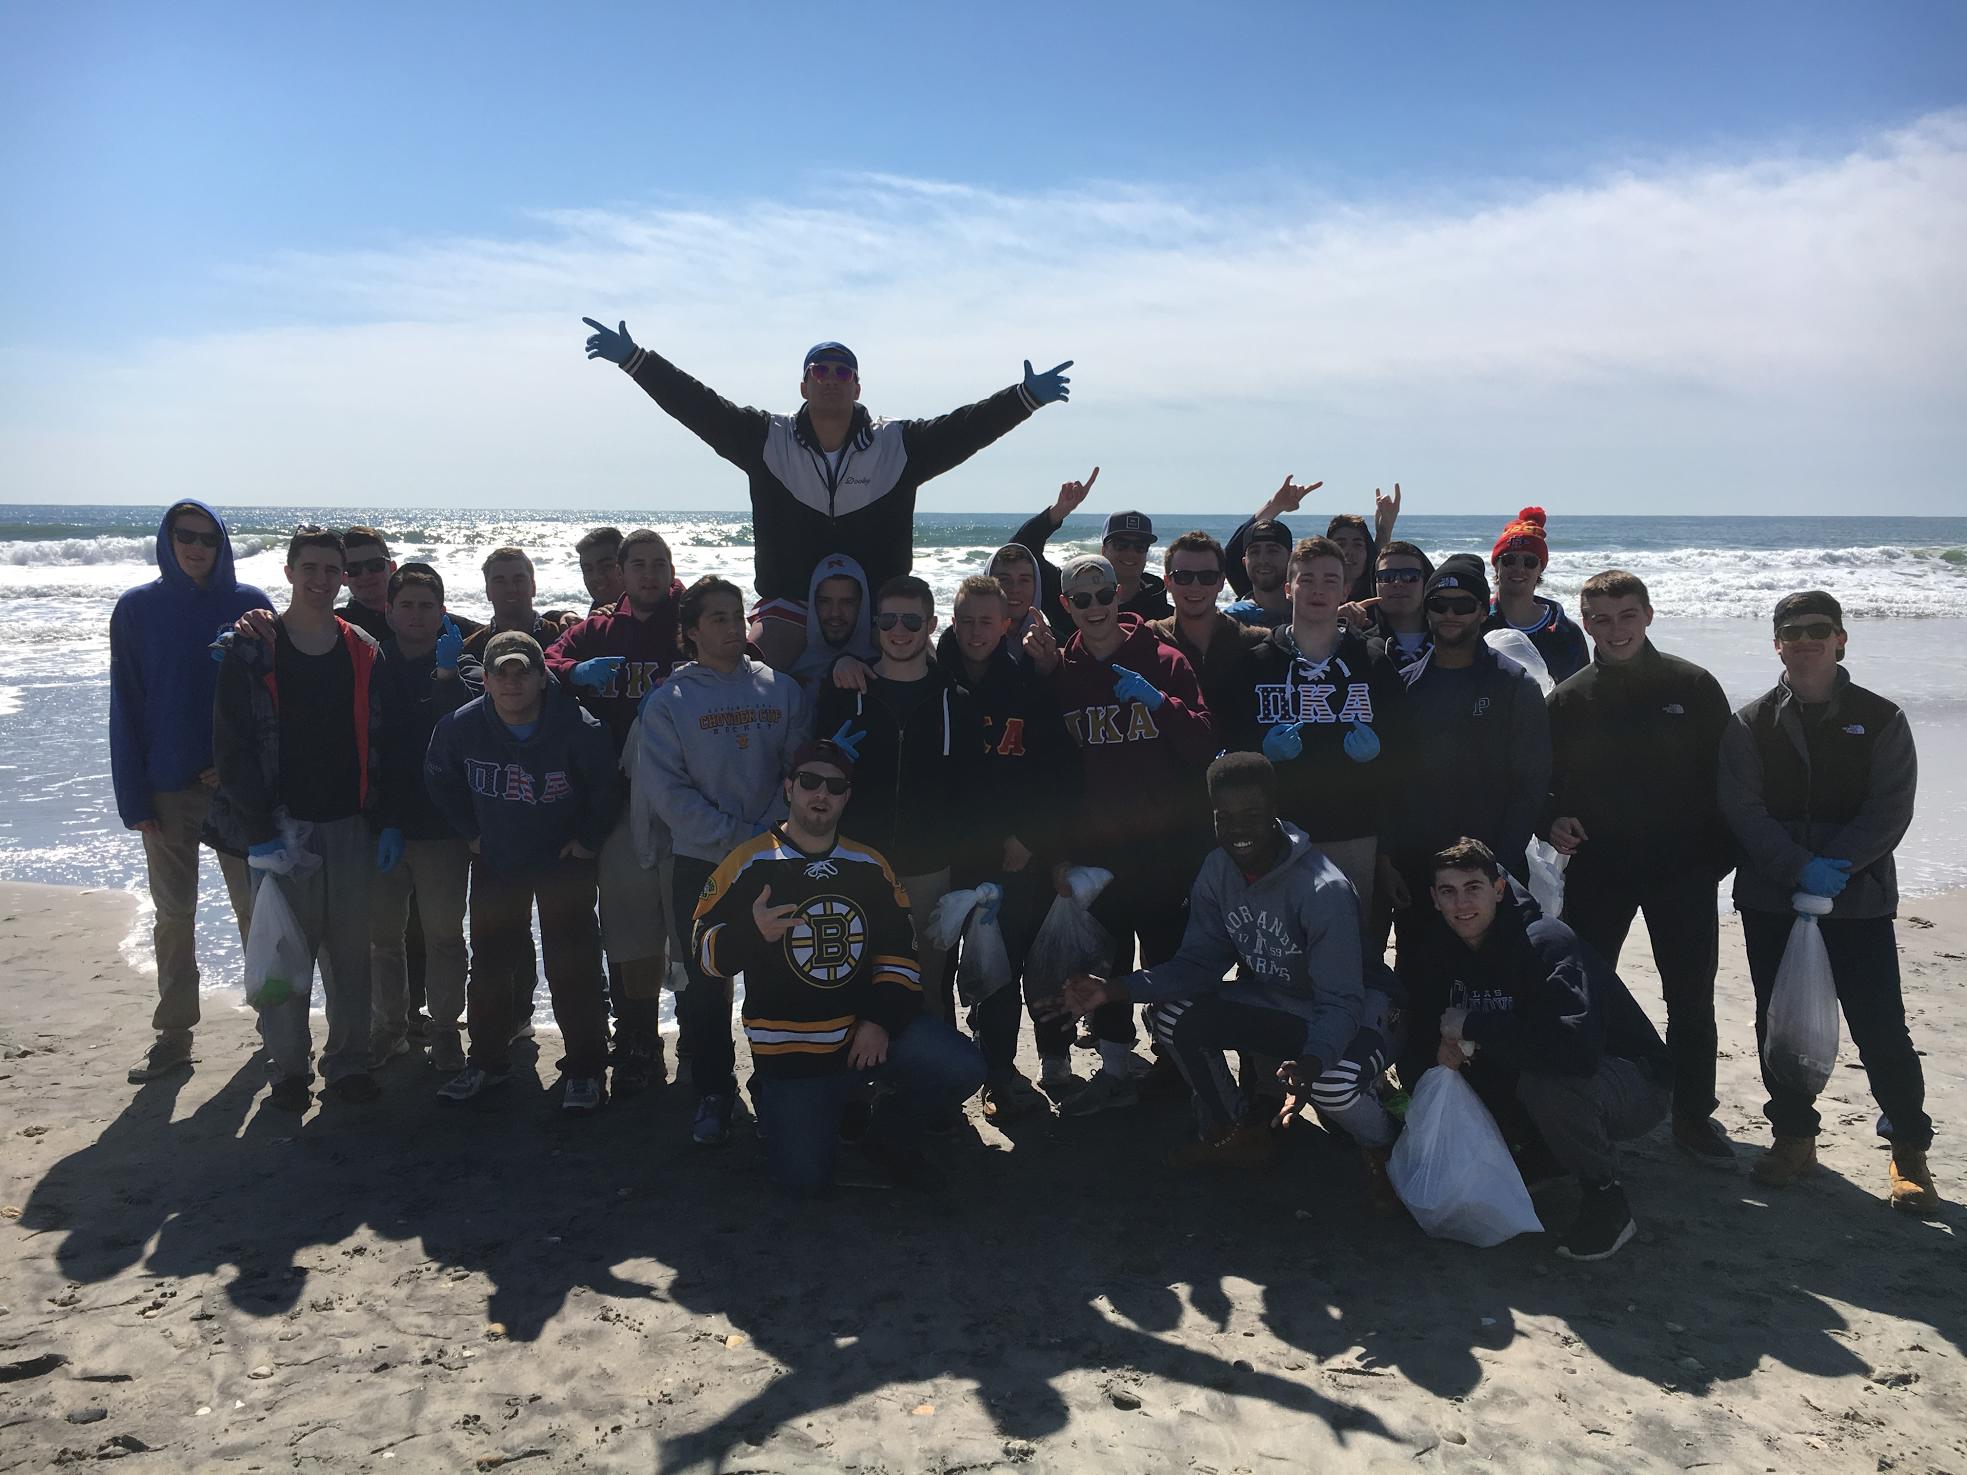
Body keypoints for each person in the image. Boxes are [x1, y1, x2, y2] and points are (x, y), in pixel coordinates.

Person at [581, 321, 1072, 668]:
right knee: (743, 673)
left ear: (857, 387)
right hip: (789, 606)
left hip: (882, 611)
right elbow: (699, 406)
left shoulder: (896, 445)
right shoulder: (766, 440)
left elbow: (966, 429)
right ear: (803, 384)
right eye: (820, 370)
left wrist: (1023, 398)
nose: (831, 379)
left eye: (842, 373)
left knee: (932, 674)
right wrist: (636, 360)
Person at [1053, 754, 1404, 1203]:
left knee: (1330, 1084)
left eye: (1252, 816)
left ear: (1275, 811)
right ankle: (1236, 1132)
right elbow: (1198, 966)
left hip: (1366, 1010)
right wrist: (1112, 990)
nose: (1238, 830)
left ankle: (1386, 1148)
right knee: (1171, 1015)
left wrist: (1312, 1062)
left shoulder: (1322, 889)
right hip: (1282, 999)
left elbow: (1342, 1002)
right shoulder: (1217, 870)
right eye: (1224, 818)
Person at [1718, 591, 1936, 1211]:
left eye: (1819, 629)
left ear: (1842, 639)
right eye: (1792, 630)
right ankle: (1792, 1137)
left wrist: (1837, 867)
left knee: (1880, 1026)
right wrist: (1795, 868)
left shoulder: (1883, 717)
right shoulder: (1749, 722)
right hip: (1771, 896)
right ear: (1776, 643)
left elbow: (1891, 808)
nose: (1805, 639)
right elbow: (1743, 808)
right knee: (1778, 1024)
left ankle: (1909, 1150)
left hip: (1858, 895)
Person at [691, 740, 987, 1195]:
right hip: (792, 1053)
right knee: (804, 1185)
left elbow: (900, 959)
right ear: (789, 787)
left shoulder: (870, 865)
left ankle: (886, 1136)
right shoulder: (747, 863)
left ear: (847, 796)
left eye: (835, 785)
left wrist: (878, 1021)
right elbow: (702, 953)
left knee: (963, 1065)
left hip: (863, 1037)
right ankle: (777, 1096)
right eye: (809, 781)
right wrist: (750, 936)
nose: (820, 794)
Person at [1398, 838, 1673, 1261]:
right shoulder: (1439, 951)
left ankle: (1605, 1198)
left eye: (1473, 887)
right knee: (1450, 1068)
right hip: (1537, 1067)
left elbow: (1574, 1052)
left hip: (1630, 1079)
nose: (1462, 903)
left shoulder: (1546, 942)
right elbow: (1420, 1029)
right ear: (1434, 899)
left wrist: (1472, 1025)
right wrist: (1438, 1052)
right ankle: (1542, 1152)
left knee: (1550, 1085)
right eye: (1448, 892)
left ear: (1500, 889)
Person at [1544, 569, 1735, 1165]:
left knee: (1689, 995)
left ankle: (1692, 1116)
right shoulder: (1570, 698)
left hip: (1683, 869)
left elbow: (1729, 780)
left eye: (1627, 615)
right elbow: (1545, 787)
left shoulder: (1693, 684)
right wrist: (1548, 821)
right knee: (1585, 992)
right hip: (1601, 869)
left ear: (1648, 615)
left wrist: (1715, 861)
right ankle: (1590, 1100)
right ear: (1585, 623)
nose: (1615, 629)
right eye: (1600, 619)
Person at [207, 526, 386, 1113]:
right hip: (280, 828)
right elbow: (231, 745)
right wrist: (257, 831)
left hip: (350, 826)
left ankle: (348, 1064)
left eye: (331, 571)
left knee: (351, 957)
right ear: (288, 572)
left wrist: (384, 818)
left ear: (343, 578)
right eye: (309, 568)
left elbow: (380, 738)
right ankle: (287, 1071)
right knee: (283, 958)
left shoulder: (361, 646)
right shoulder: (253, 647)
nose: (320, 580)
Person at [634, 576, 808, 1145]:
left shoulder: (780, 691)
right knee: (703, 985)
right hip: (700, 866)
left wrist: (768, 835)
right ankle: (713, 1090)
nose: (734, 629)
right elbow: (670, 796)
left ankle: (774, 1085)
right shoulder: (669, 703)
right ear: (690, 632)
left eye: (738, 616)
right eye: (718, 619)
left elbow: (797, 772)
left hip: (773, 858)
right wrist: (736, 837)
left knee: (774, 978)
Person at [1048, 554, 1217, 1112]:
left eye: (1103, 595)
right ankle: (1116, 1068)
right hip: (1099, 853)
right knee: (1107, 963)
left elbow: (1203, 746)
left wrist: (1160, 703)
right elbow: (1051, 775)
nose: (1094, 607)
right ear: (1067, 604)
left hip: (1166, 849)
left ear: (1118, 596)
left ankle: (1180, 1067)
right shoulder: (1062, 676)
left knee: (1168, 961)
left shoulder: (1166, 661)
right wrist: (1061, 853)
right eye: (1081, 598)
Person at [112, 500, 271, 1083]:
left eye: (208, 536)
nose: (197, 546)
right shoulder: (137, 609)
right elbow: (125, 703)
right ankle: (175, 1034)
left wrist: (239, 767)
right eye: (185, 535)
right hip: (165, 790)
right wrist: (133, 797)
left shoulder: (250, 604)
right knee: (174, 915)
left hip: (235, 790)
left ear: (222, 542)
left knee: (256, 910)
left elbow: (271, 700)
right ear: (168, 539)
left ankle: (272, 1024)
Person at [425, 630, 618, 1111]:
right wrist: (469, 830)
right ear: (486, 680)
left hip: (562, 862)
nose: (512, 682)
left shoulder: (580, 727)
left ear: (542, 677)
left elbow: (607, 788)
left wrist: (589, 839)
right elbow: (439, 777)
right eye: (501, 673)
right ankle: (487, 1064)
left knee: (573, 964)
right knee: (490, 965)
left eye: (522, 671)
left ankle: (586, 1069)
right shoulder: (459, 726)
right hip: (498, 859)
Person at [544, 528, 686, 1092]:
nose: (649, 574)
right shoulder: (598, 629)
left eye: (660, 564)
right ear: (621, 573)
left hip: (690, 801)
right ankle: (639, 1041)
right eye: (638, 566)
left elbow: (745, 662)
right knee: (631, 934)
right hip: (622, 804)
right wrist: (572, 674)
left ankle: (702, 1040)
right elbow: (544, 661)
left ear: (671, 568)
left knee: (697, 929)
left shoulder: (691, 621)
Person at [938, 573, 1080, 1113]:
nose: (976, 632)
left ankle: (1047, 1062)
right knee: (973, 974)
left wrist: (1030, 837)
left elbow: (1060, 773)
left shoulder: (1026, 684)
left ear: (1006, 624)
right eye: (967, 620)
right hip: (955, 857)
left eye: (987, 621)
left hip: (1019, 855)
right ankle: (988, 1070)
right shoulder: (934, 681)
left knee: (1029, 963)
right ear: (954, 622)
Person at [815, 576, 982, 1023]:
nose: (899, 629)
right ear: (875, 625)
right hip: (855, 865)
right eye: (888, 619)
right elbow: (809, 778)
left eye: (911, 619)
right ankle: (860, 1084)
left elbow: (970, 792)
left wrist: (971, 874)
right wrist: (829, 757)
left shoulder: (957, 700)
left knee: (927, 986)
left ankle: (924, 1087)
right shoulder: (844, 692)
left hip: (930, 868)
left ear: (930, 624)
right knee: (851, 980)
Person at [1230, 536, 1409, 913]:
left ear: (1345, 589)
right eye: (1306, 579)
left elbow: (1408, 755)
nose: (1318, 590)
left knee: (1351, 954)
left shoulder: (1373, 663)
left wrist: (1379, 755)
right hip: (1274, 834)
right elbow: (1227, 745)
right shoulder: (1255, 664)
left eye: (1331, 580)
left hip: (1353, 834)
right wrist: (1262, 752)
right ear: (1288, 588)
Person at [1383, 555, 1551, 930]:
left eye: (1463, 605)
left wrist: (1497, 868)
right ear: (1426, 610)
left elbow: (1531, 784)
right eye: (1439, 604)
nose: (1450, 614)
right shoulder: (1404, 685)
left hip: (1492, 872)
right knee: (1422, 978)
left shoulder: (1515, 686)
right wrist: (1389, 858)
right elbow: (1389, 782)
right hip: (1419, 870)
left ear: (1481, 611)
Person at [368, 565, 477, 1074]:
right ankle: (388, 1029)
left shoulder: (463, 663)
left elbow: (455, 735)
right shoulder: (370, 662)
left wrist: (447, 673)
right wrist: (386, 818)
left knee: (444, 936)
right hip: (381, 826)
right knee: (383, 938)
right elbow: (379, 750)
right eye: (406, 604)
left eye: (426, 606)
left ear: (442, 612)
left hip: (440, 831)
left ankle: (446, 1030)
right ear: (388, 611)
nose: (416, 614)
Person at [460, 545, 559, 1030]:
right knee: (501, 932)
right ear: (487, 588)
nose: (511, 588)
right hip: (496, 810)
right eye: (500, 579)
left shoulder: (563, 633)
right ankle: (513, 1021)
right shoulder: (471, 645)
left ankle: (587, 1028)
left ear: (534, 583)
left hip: (557, 813)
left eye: (519, 578)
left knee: (571, 933)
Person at [1012, 469, 1172, 638]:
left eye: (1140, 546)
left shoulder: (1162, 612)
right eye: (1121, 544)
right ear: (1104, 550)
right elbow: (1019, 551)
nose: (1131, 552)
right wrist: (1059, 511)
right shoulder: (1071, 593)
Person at [1147, 530, 1267, 725]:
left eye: (1207, 576)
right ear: (1167, 582)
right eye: (1183, 576)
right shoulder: (1150, 640)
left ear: (1221, 581)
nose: (1195, 586)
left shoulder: (1255, 643)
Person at [1226, 478, 1400, 606]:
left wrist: (1384, 531)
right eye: (1340, 543)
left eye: (1358, 544)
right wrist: (1275, 506)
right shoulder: (1301, 598)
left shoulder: (1378, 596)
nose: (1348, 551)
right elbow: (1232, 558)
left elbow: (1380, 567)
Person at [1485, 507, 1587, 684]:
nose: (1519, 568)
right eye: (1509, 560)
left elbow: (1579, 693)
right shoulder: (1476, 621)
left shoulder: (1565, 633)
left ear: (1540, 569)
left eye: (1529, 561)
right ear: (1496, 565)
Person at [786, 554, 877, 700]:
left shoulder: (882, 669)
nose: (835, 612)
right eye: (824, 601)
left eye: (847, 602)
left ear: (862, 605)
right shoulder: (786, 676)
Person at [1340, 540, 1435, 673]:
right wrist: (1332, 626)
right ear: (1375, 585)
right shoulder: (1361, 646)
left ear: (1426, 582)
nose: (1398, 583)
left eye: (1410, 576)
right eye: (1386, 577)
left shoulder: (1450, 640)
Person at [1221, 519, 1293, 629]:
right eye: (1254, 552)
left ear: (1290, 558)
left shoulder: (1309, 614)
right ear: (1245, 562)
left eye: (1272, 551)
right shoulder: (1232, 619)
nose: (1263, 560)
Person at [335, 526, 396, 643]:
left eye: (374, 565)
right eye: (354, 568)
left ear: (392, 567)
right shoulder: (336, 627)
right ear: (344, 577)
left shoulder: (416, 618)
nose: (365, 575)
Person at [575, 526, 627, 611]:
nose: (597, 577)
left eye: (606, 566)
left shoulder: (648, 615)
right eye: (588, 569)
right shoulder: (597, 609)